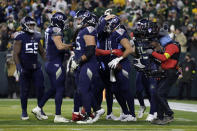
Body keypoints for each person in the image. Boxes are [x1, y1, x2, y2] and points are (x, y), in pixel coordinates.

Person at [32, 12, 72, 123]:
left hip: (51, 62)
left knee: (54, 88)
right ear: (59, 21)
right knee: (59, 89)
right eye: (64, 21)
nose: (66, 23)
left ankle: (38, 108)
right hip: (55, 63)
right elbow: (59, 46)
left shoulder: (50, 29)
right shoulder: (56, 30)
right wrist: (71, 45)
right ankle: (58, 115)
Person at [71, 10, 104, 124]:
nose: (78, 21)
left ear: (85, 19)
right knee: (84, 89)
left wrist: (78, 60)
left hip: (88, 64)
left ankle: (88, 116)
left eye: (79, 19)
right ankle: (97, 110)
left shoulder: (89, 30)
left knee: (83, 89)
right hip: (83, 64)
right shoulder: (82, 30)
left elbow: (90, 51)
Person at [13, 16, 47, 120]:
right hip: (25, 67)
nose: (32, 26)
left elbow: (42, 52)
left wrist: (49, 62)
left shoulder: (37, 35)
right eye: (30, 24)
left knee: (40, 88)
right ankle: (24, 111)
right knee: (24, 91)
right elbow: (15, 54)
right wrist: (19, 67)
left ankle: (40, 109)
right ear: (24, 25)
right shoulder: (19, 36)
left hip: (36, 67)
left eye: (33, 24)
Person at [146, 24, 180, 125]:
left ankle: (169, 115)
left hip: (171, 73)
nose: (158, 41)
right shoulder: (168, 46)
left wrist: (152, 53)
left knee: (160, 93)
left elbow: (164, 58)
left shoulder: (172, 46)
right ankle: (160, 117)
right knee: (158, 93)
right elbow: (163, 62)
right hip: (166, 72)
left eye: (159, 38)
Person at [133, 19, 158, 122]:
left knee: (152, 91)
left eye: (140, 26)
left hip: (152, 66)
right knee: (139, 90)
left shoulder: (155, 40)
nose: (138, 28)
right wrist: (137, 60)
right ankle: (143, 106)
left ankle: (153, 112)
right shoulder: (136, 39)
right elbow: (136, 52)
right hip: (141, 68)